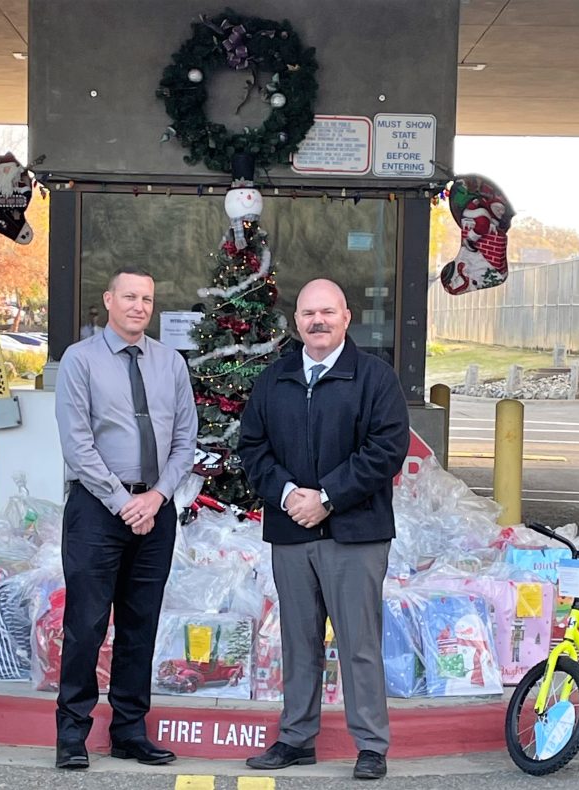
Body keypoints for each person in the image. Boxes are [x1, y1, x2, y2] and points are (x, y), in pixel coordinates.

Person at [237, 278, 409, 781]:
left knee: (359, 643)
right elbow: (253, 448)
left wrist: (328, 497)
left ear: (346, 318)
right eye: (309, 313)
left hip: (355, 534)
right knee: (298, 641)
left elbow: (386, 449)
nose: (318, 321)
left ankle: (371, 745)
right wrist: (289, 494)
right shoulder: (274, 379)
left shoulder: (375, 378)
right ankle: (296, 738)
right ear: (296, 322)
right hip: (291, 531)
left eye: (328, 312)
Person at [54, 267, 198, 770]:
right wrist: (122, 502)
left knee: (140, 626)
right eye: (130, 297)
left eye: (147, 299)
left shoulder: (171, 363)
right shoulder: (80, 361)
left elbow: (185, 441)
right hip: (97, 511)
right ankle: (71, 735)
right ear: (109, 300)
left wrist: (157, 497)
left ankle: (130, 732)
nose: (139, 306)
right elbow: (77, 445)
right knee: (86, 626)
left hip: (155, 511)